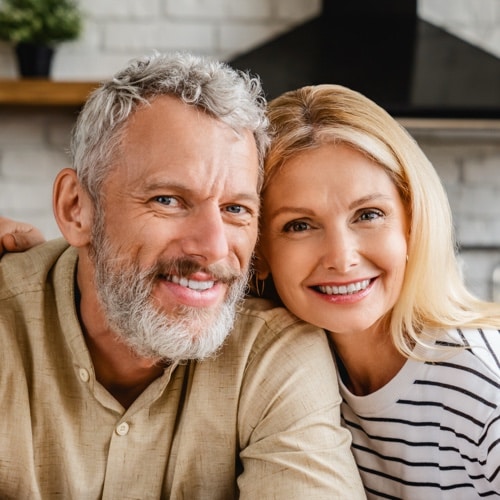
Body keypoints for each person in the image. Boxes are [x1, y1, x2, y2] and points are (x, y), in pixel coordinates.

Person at [0, 55, 365, 498]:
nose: (213, 246)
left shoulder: (272, 355)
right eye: (168, 200)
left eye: (236, 209)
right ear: (77, 208)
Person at [253, 84, 500, 497]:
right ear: (259, 252)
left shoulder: (484, 392)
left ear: (412, 221)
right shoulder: (288, 378)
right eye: (300, 225)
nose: (342, 257)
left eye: (368, 214)